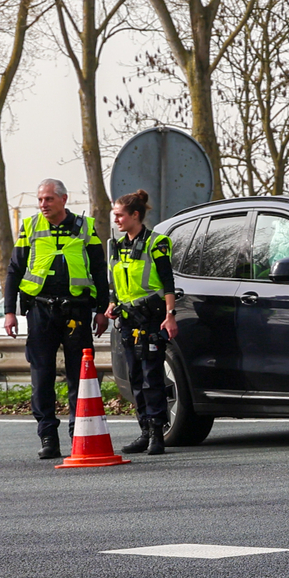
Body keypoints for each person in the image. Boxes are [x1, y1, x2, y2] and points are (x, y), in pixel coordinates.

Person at [3, 179, 109, 459]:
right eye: (40, 200)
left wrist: (102, 308)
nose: (43, 204)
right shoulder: (30, 227)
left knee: (80, 376)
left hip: (77, 311)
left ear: (64, 199)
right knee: (42, 376)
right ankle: (48, 436)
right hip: (40, 310)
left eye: (49, 199)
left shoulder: (85, 228)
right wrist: (9, 311)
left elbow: (99, 269)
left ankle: (79, 434)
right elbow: (14, 270)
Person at [105, 189, 178, 455]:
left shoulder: (155, 242)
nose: (117, 220)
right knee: (135, 377)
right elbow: (115, 283)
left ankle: (158, 433)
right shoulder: (116, 246)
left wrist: (170, 315)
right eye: (115, 216)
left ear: (135, 215)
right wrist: (112, 305)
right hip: (127, 320)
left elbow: (168, 282)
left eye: (120, 215)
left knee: (152, 378)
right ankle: (144, 431)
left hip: (151, 319)